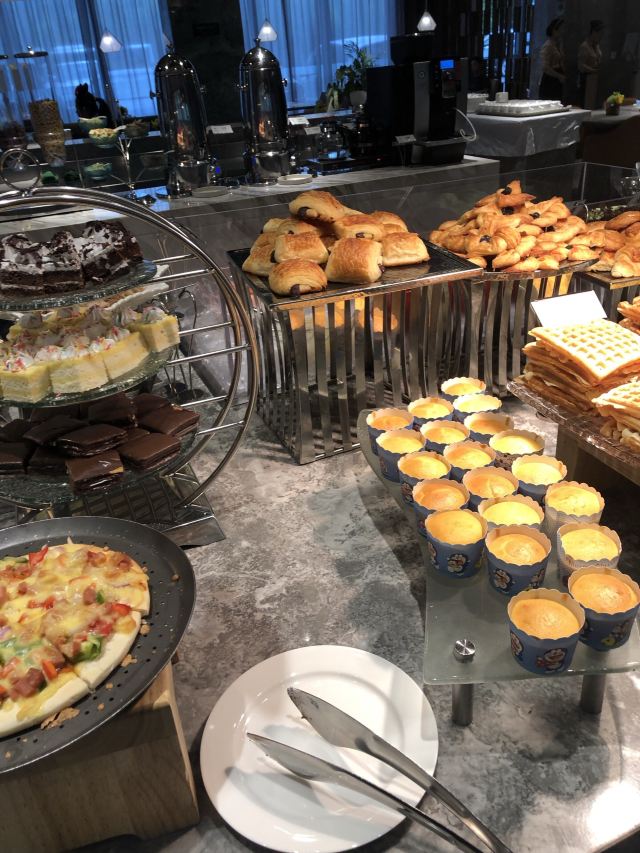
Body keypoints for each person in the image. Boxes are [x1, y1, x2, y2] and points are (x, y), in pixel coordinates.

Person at [578, 20, 604, 109]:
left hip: (595, 79)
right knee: (587, 103)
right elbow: (581, 65)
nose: (600, 36)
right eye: (599, 33)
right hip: (587, 79)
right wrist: (593, 70)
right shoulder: (584, 46)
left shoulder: (597, 46)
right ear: (593, 32)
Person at [539, 17, 565, 101]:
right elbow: (545, 67)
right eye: (560, 30)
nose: (562, 32)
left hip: (557, 79)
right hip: (550, 79)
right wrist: (559, 76)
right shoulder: (548, 46)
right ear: (554, 31)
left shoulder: (557, 45)